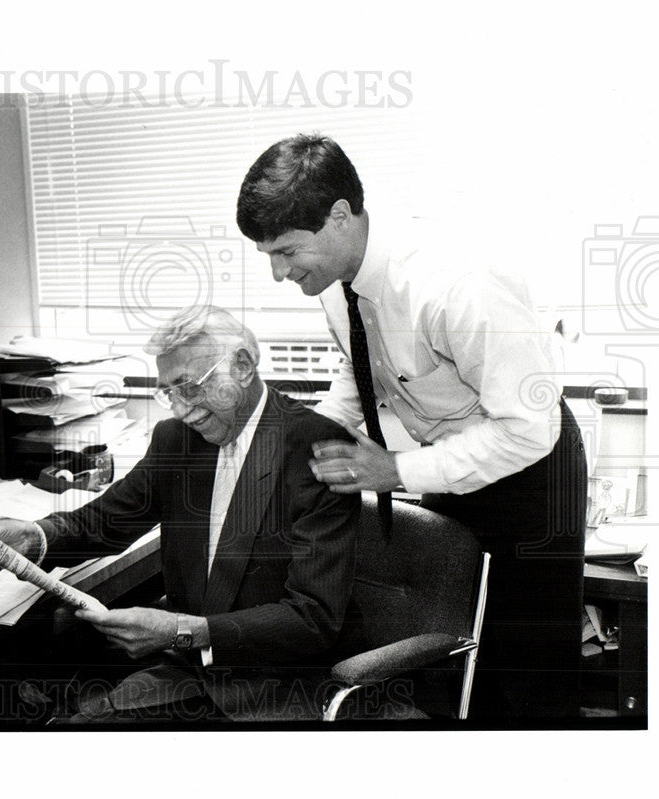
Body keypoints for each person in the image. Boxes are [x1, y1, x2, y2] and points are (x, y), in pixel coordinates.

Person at [236, 134, 587, 720]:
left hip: (532, 466)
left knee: (523, 671)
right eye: (269, 254)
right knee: (449, 651)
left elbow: (529, 428)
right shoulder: (333, 281)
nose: (278, 273)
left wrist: (395, 470)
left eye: (288, 252)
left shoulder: (456, 284)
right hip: (452, 454)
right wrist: (311, 432)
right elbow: (360, 365)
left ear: (340, 217)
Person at [0, 306, 359, 722]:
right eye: (168, 392)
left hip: (274, 686)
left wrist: (182, 630)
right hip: (186, 669)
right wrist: (34, 535)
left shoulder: (318, 446)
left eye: (189, 388)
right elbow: (107, 518)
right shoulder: (177, 439)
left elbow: (312, 618)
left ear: (242, 366)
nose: (179, 408)